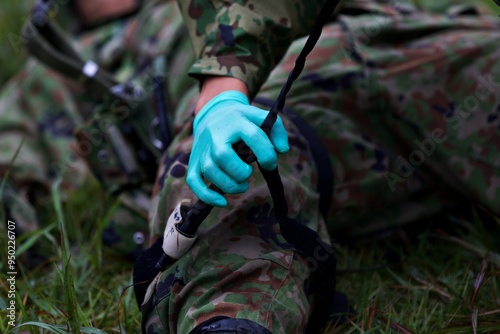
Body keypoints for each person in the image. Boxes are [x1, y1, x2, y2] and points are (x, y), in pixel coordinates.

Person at [1, 0, 499, 333]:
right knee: (225, 179)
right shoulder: (61, 67)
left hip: (414, 40)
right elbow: (7, 171)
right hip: (282, 124)